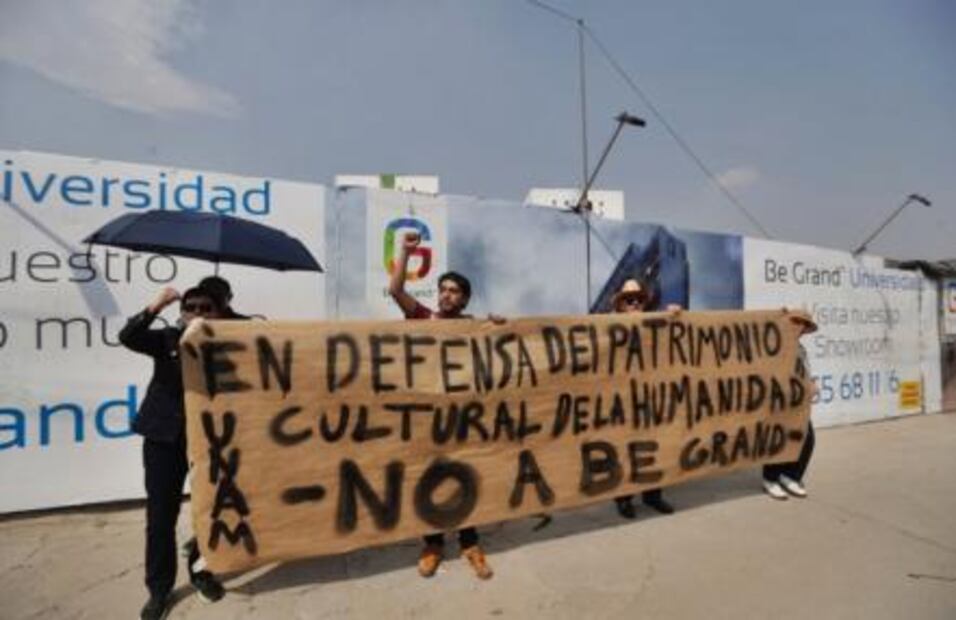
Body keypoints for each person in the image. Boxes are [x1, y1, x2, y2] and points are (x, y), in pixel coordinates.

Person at [388, 231, 494, 580]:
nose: (447, 295)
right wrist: (405, 251)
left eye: (454, 291)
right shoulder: (423, 319)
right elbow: (396, 291)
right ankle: (432, 544)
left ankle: (470, 542)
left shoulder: (474, 327)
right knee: (430, 478)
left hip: (464, 417)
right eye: (443, 289)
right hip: (428, 418)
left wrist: (503, 326)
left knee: (467, 476)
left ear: (464, 299)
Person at [120, 286, 227, 620]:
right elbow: (129, 336)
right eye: (189, 306)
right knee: (160, 517)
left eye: (205, 307)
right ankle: (159, 591)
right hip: (163, 440)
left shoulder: (230, 342)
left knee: (209, 513)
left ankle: (201, 573)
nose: (196, 312)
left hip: (209, 441)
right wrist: (157, 304)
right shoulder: (166, 339)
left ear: (219, 311)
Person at [608, 279, 677, 519]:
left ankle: (653, 495)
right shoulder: (606, 327)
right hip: (622, 401)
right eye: (629, 299)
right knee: (625, 450)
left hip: (650, 399)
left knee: (653, 446)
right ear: (620, 304)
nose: (634, 302)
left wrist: (676, 316)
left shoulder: (654, 324)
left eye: (638, 298)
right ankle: (624, 499)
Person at [762, 311, 817, 500]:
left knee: (806, 438)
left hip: (798, 402)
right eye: (797, 322)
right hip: (778, 402)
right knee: (777, 439)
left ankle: (790, 475)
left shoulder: (801, 349)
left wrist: (811, 384)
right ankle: (770, 478)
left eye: (803, 325)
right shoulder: (774, 345)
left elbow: (806, 371)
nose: (800, 327)